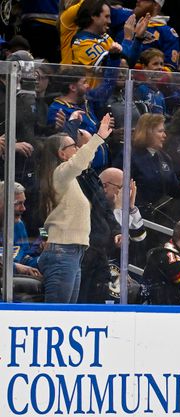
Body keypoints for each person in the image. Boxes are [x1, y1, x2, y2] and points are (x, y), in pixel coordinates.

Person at [36, 114, 113, 303]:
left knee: (67, 316)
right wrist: (98, 138)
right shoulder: (59, 174)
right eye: (73, 147)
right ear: (62, 154)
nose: (78, 149)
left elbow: (82, 162)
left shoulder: (68, 179)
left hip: (72, 253)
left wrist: (94, 143)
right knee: (57, 316)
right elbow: (79, 162)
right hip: (63, 252)